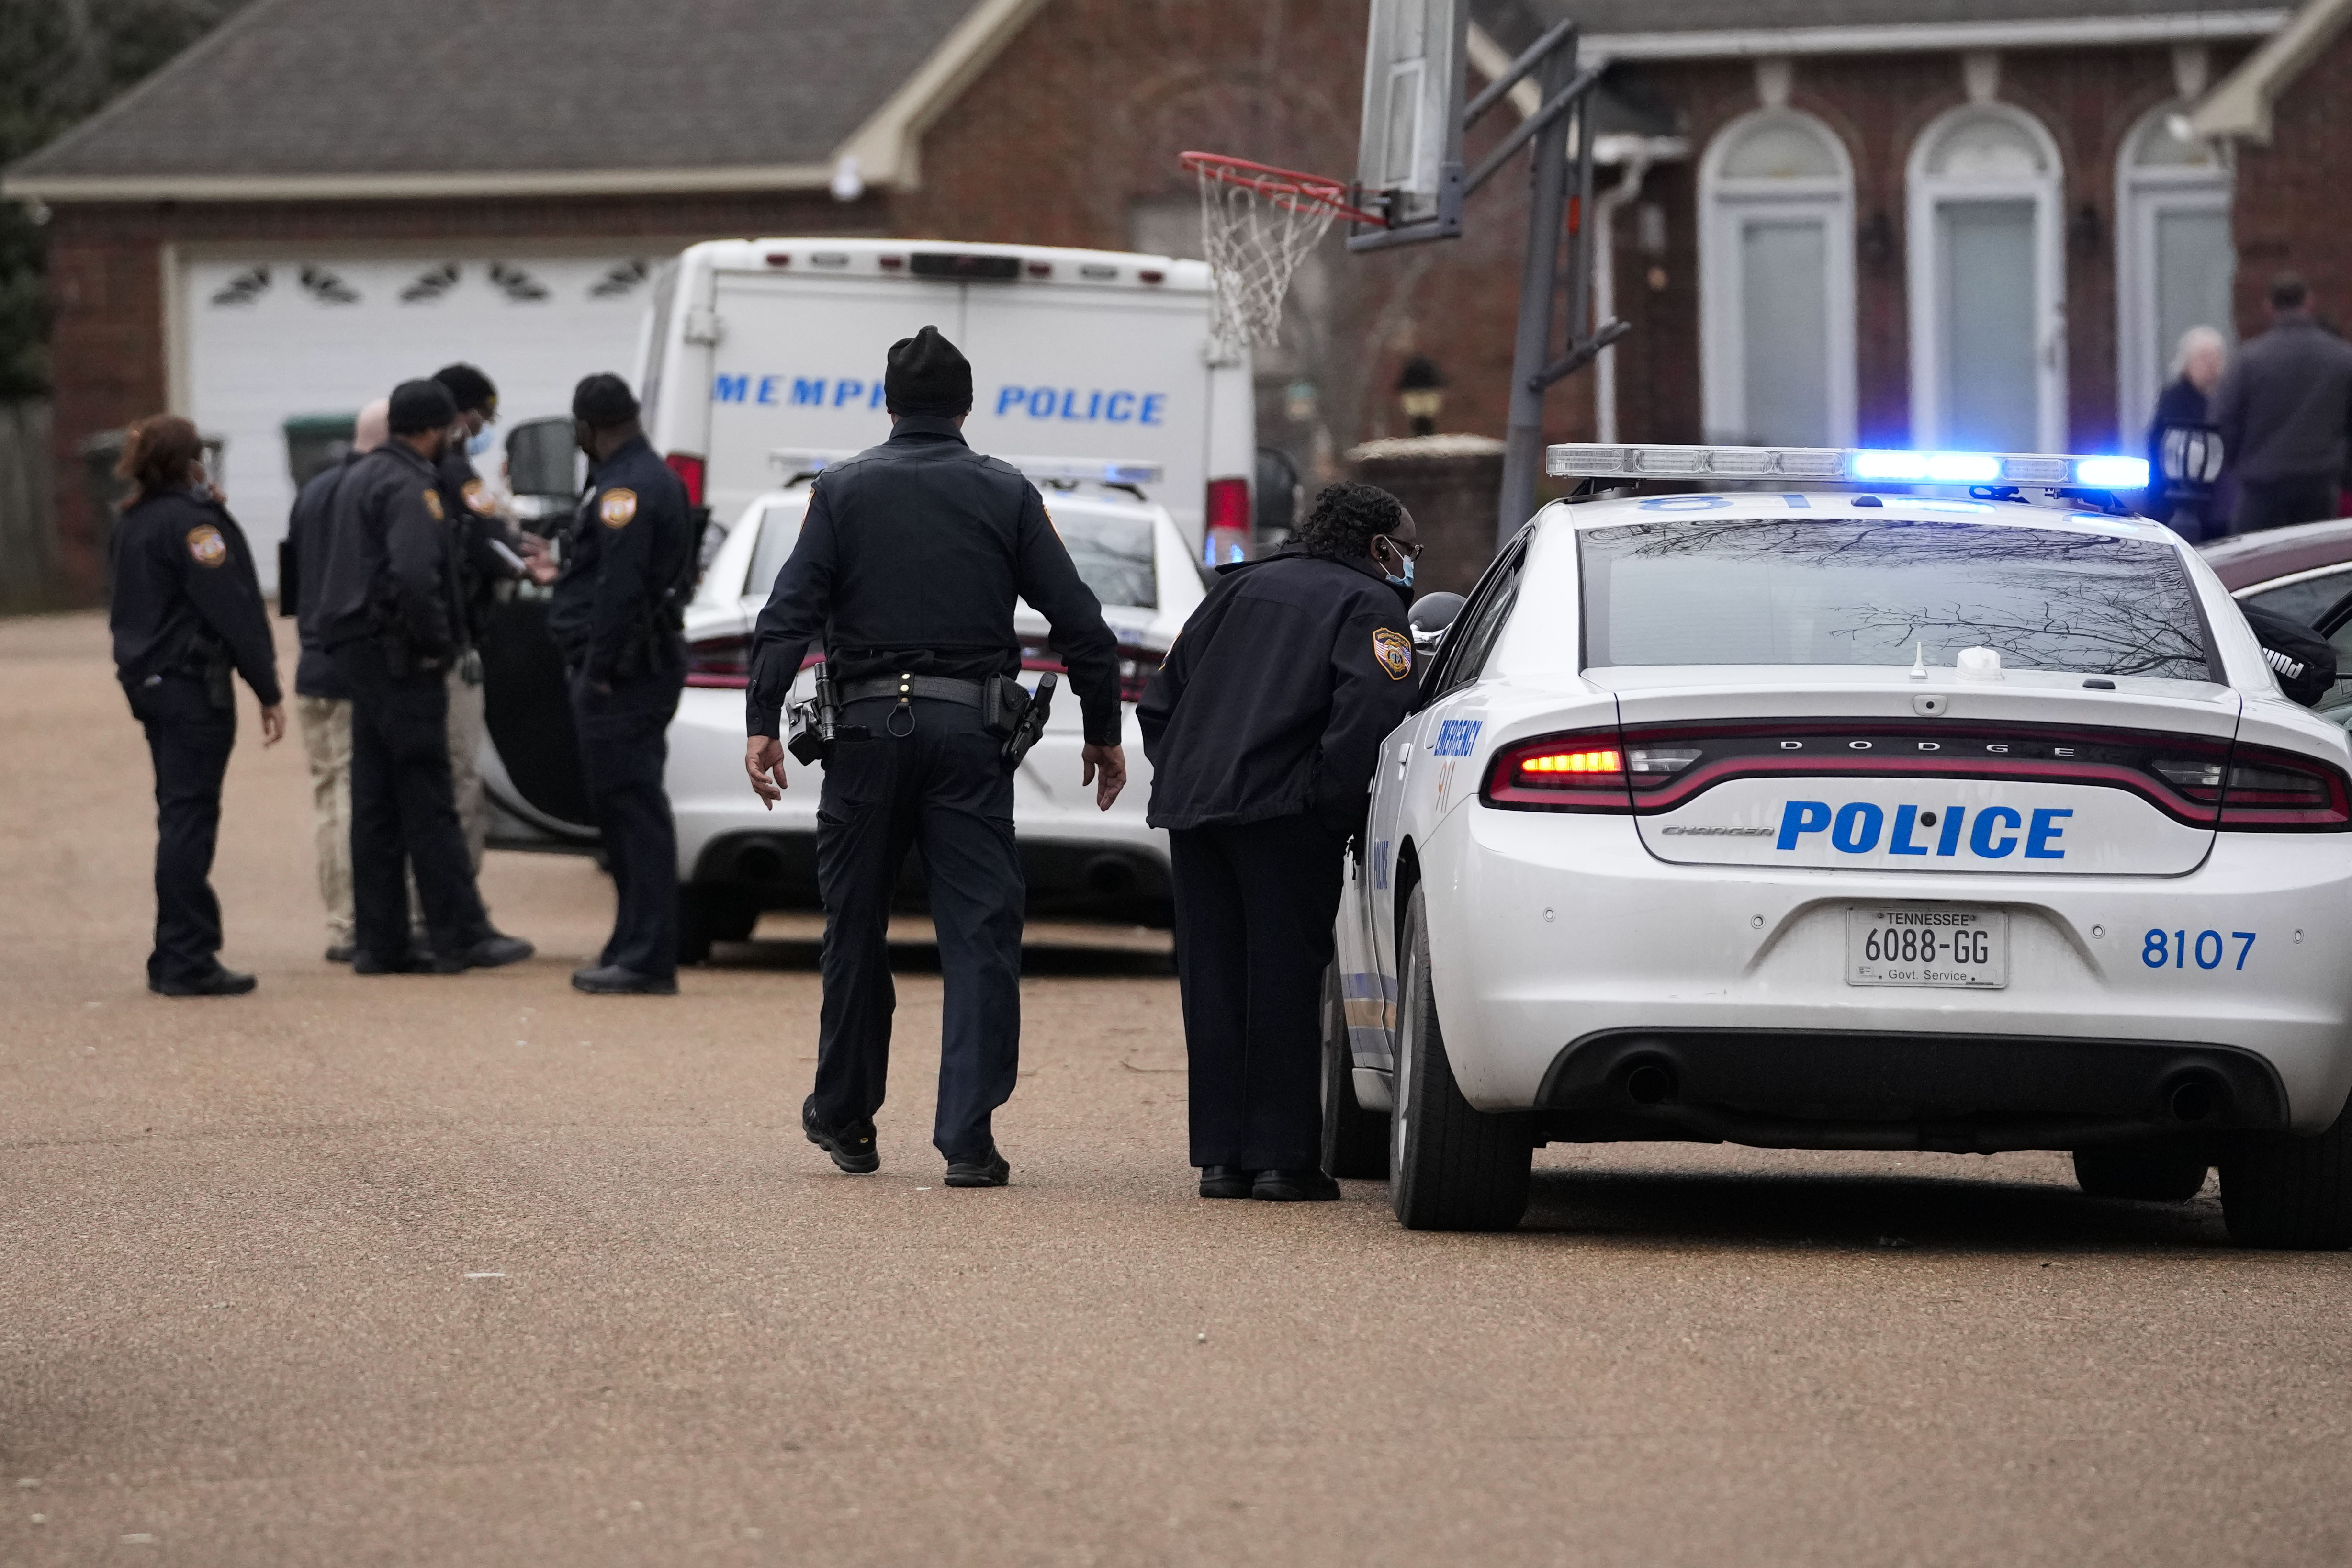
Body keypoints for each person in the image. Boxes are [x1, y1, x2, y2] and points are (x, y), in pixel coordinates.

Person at [743, 325, 1126, 1188]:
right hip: (968, 743)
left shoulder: (839, 493)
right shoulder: (1005, 493)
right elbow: (1082, 626)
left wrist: (762, 717)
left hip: (866, 741)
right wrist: (1103, 732)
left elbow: (788, 610)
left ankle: (846, 1117)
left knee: (854, 930)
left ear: (886, 404)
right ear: (965, 406)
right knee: (980, 934)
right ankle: (967, 1137)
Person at [1137, 481, 1422, 1202]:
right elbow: (1368, 712)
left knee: (1215, 979)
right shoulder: (1371, 603)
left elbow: (1160, 701)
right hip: (1286, 813)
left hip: (1197, 812)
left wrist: (1187, 775)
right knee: (1287, 980)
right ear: (1375, 544)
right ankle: (1282, 1157)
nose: (1411, 561)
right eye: (1407, 548)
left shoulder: (1237, 588)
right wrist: (1331, 809)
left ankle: (1222, 1158)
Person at [315, 378, 534, 976]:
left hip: (359, 657)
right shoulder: (413, 485)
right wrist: (438, 641)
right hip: (401, 658)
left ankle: (380, 941)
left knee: (377, 802)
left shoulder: (356, 476)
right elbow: (415, 575)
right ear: (434, 429)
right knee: (430, 798)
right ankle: (459, 934)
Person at [107, 415, 286, 996]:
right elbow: (232, 607)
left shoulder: (133, 521)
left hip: (151, 684)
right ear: (190, 461)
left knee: (176, 812)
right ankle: (188, 955)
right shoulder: (192, 525)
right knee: (189, 818)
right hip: (191, 688)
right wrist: (267, 687)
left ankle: (173, 951)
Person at [529, 374, 695, 994]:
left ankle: (648, 955)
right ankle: (630, 939)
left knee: (634, 812)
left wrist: (597, 670)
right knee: (622, 813)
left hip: (625, 675)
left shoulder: (625, 486)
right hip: (634, 668)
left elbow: (622, 588)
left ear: (585, 427)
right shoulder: (643, 475)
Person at [286, 397, 387, 962]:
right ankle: (358, 917)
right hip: (353, 665)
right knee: (355, 793)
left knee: (328, 796)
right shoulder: (377, 490)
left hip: (312, 663)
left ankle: (338, 917)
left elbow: (295, 579)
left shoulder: (313, 493)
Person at [429, 362, 528, 872]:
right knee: (459, 775)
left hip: (410, 652)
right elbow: (494, 546)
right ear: (463, 416)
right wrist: (522, 552)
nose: (483, 427)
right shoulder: (454, 471)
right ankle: (456, 905)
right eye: (483, 416)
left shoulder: (396, 469)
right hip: (454, 645)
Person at [2212, 274, 2352, 534]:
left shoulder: (2249, 360)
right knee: (2313, 564)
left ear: (2269, 306)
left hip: (2261, 489)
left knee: (2255, 565)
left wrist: (2236, 464)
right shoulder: (2342, 358)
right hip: (2319, 485)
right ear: (2308, 303)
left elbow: (2223, 420)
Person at [2144, 326, 2228, 541]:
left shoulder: (2226, 398)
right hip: (2177, 498)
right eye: (2203, 358)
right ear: (2187, 363)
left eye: (2216, 358)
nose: (2211, 365)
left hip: (2216, 502)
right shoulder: (2174, 399)